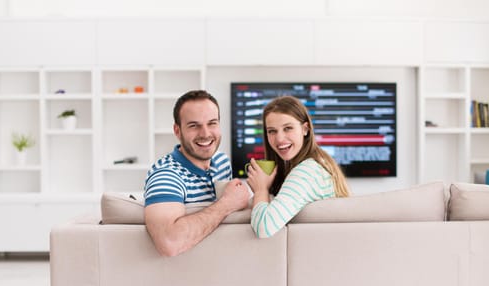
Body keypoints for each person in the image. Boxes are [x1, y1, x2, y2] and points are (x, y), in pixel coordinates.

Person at [144, 90, 250, 256]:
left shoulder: (222, 162)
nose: (206, 133)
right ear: (177, 131)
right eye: (194, 126)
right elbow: (169, 243)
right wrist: (227, 204)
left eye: (212, 123)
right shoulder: (166, 175)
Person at [246, 95, 350, 238]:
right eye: (272, 131)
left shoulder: (307, 171)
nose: (279, 139)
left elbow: (264, 227)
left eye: (288, 128)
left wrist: (260, 189)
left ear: (305, 129)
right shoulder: (320, 161)